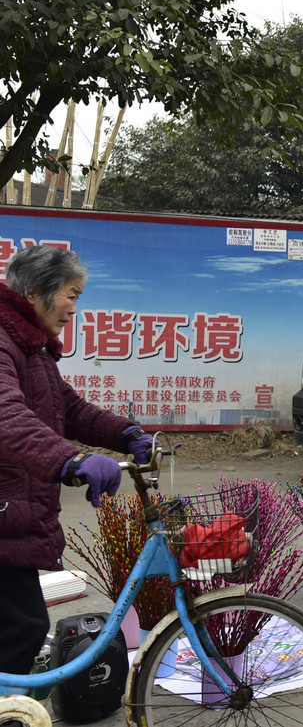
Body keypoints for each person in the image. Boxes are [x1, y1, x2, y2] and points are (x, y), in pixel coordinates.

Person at [0, 246, 157, 676]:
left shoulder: (31, 346)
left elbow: (68, 409)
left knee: (17, 628)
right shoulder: (4, 341)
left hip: (13, 516)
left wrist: (124, 434)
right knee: (22, 628)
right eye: (71, 294)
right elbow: (6, 416)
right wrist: (71, 461)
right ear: (35, 292)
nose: (74, 308)